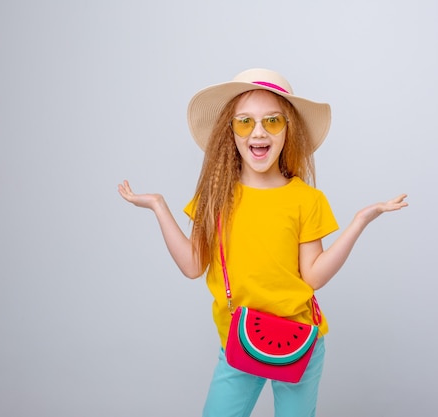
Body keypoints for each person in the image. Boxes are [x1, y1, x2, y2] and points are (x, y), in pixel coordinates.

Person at [118, 68, 408, 417]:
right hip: (237, 340)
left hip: (301, 340)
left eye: (272, 121)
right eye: (245, 122)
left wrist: (359, 221)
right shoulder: (216, 194)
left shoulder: (306, 199)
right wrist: (159, 207)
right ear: (230, 131)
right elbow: (193, 265)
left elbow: (313, 276)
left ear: (289, 129)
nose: (258, 132)